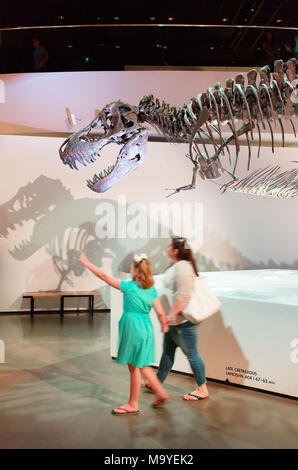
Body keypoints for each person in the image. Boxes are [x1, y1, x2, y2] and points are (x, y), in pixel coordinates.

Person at [78, 251, 169, 415]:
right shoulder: (151, 289)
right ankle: (161, 393)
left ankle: (133, 403)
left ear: (135, 270)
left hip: (133, 328)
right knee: (143, 365)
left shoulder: (128, 286)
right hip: (146, 328)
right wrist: (164, 325)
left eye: (131, 267)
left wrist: (86, 262)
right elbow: (161, 313)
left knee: (134, 368)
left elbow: (104, 276)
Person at [144, 236, 209, 400]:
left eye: (168, 246)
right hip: (174, 322)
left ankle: (202, 389)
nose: (166, 248)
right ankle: (156, 383)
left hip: (182, 323)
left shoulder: (182, 267)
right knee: (167, 353)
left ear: (175, 251)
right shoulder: (178, 266)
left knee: (192, 353)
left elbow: (183, 296)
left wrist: (170, 316)